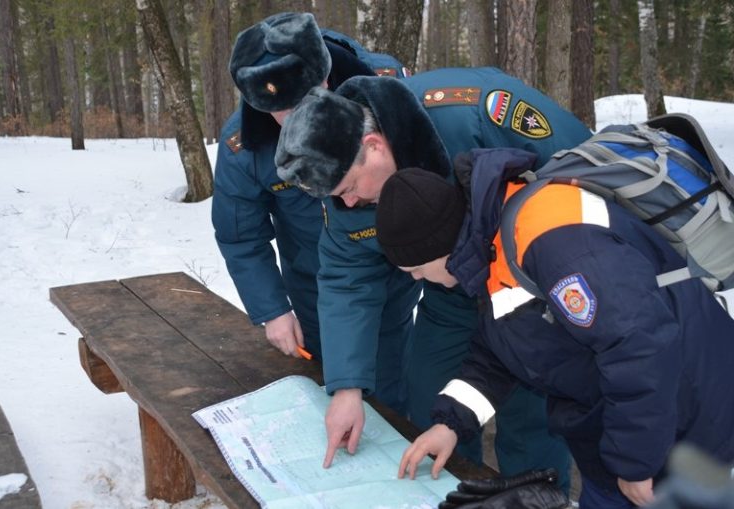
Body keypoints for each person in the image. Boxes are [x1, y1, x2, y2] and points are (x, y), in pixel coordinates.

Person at [275, 68, 592, 490]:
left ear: (374, 145)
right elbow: (346, 278)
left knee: (530, 410)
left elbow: (581, 169)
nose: (348, 201)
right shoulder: (342, 181)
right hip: (452, 293)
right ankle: (454, 492)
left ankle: (534, 495)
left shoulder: (475, 114)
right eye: (337, 196)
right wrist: (347, 388)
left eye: (350, 187)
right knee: (430, 398)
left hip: (534, 288)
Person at [372, 158, 734, 508]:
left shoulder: (554, 244)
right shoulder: (491, 244)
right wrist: (451, 423)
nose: (416, 279)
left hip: (682, 427)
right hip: (622, 439)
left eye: (417, 268)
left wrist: (636, 464)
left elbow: (640, 345)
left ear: (440, 246)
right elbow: (500, 348)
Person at [212, 12, 404, 361]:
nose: (297, 119)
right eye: (281, 110)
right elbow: (240, 235)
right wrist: (272, 309)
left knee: (393, 370)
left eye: (302, 101)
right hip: (315, 280)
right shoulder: (243, 147)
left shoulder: (386, 86)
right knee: (331, 370)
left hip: (395, 262)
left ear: (326, 76)